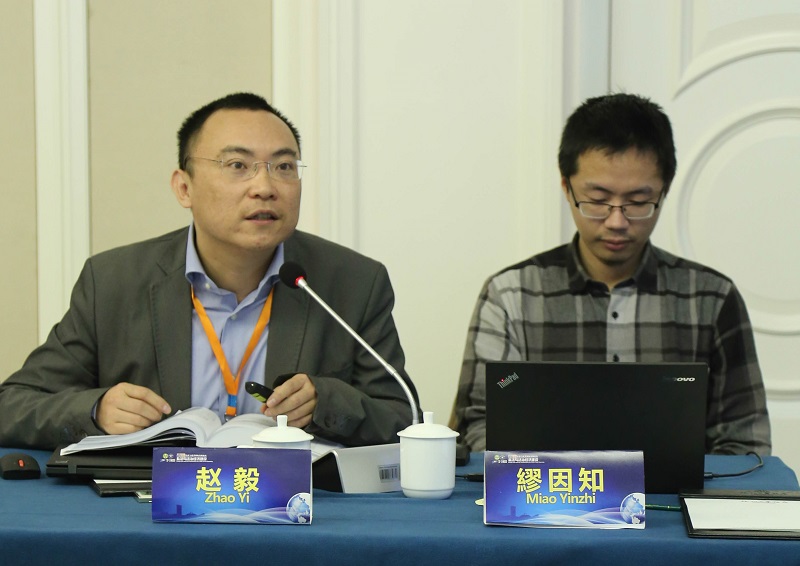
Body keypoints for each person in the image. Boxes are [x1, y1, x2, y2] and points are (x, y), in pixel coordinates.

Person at [0, 92, 418, 450]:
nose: (265, 187)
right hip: (150, 509)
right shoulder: (113, 281)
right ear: (184, 188)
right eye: (238, 165)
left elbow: (405, 418)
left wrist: (324, 403)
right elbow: (13, 404)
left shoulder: (352, 283)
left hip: (292, 509)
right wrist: (95, 410)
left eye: (284, 166)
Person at [450, 93, 771, 455]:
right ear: (566, 186)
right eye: (598, 200)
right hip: (546, 491)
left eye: (638, 202)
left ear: (664, 191)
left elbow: (745, 443)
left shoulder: (710, 299)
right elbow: (478, 427)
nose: (617, 221)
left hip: (675, 493)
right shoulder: (512, 296)